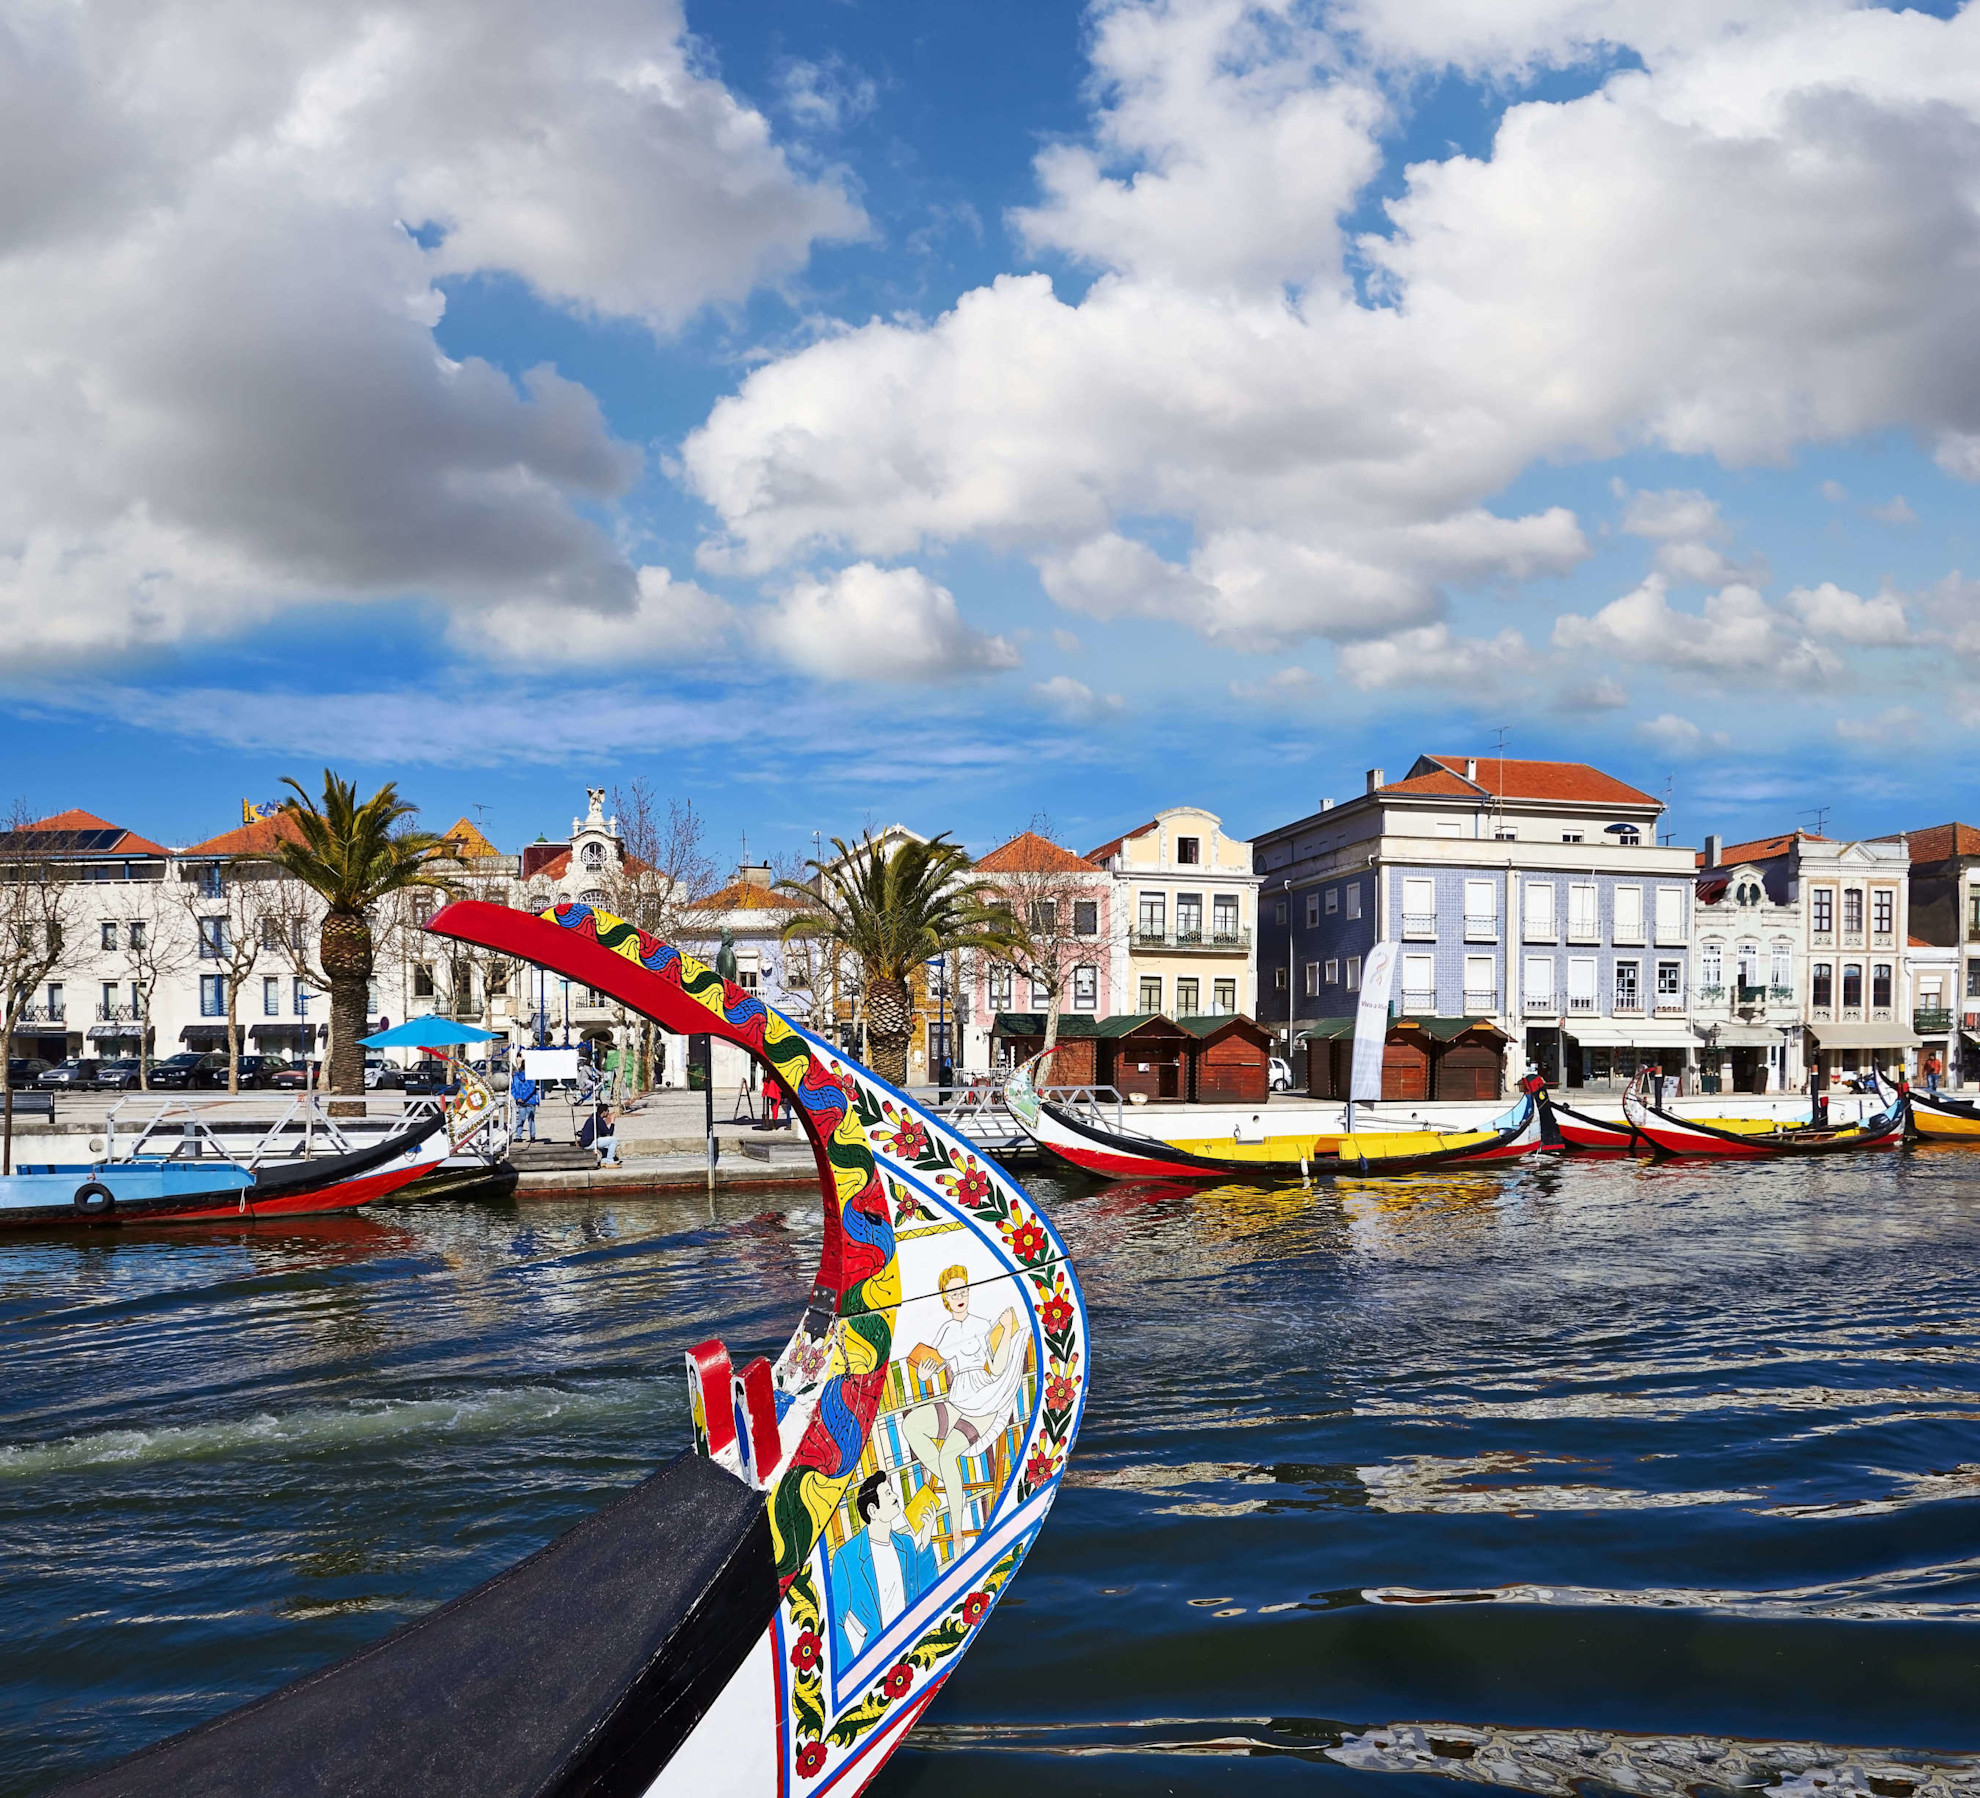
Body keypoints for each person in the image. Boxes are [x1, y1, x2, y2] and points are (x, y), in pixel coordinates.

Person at [900, 1266, 1024, 1561]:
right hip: (958, 1399)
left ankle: (957, 1535)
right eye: (954, 1293)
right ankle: (955, 1487)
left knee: (947, 1455)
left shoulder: (983, 1325)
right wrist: (925, 1374)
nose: (960, 1297)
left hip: (983, 1400)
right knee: (911, 1427)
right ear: (945, 1297)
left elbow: (996, 1368)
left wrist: (1005, 1331)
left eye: (963, 1291)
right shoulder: (946, 1331)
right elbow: (934, 1368)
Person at [829, 1471, 940, 1659]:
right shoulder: (847, 1557)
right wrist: (850, 1670)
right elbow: (834, 1621)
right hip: (875, 1659)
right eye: (888, 1494)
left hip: (911, 1647)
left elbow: (925, 1591)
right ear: (873, 1510)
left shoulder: (905, 1544)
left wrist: (926, 1540)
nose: (896, 1496)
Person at [509, 1062, 540, 1142]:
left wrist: (518, 1097)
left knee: (521, 1119)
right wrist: (524, 1098)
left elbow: (512, 1089)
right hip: (530, 1100)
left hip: (520, 1101)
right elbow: (532, 1088)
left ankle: (518, 1136)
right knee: (531, 1119)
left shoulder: (516, 1077)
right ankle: (532, 1136)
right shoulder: (530, 1076)